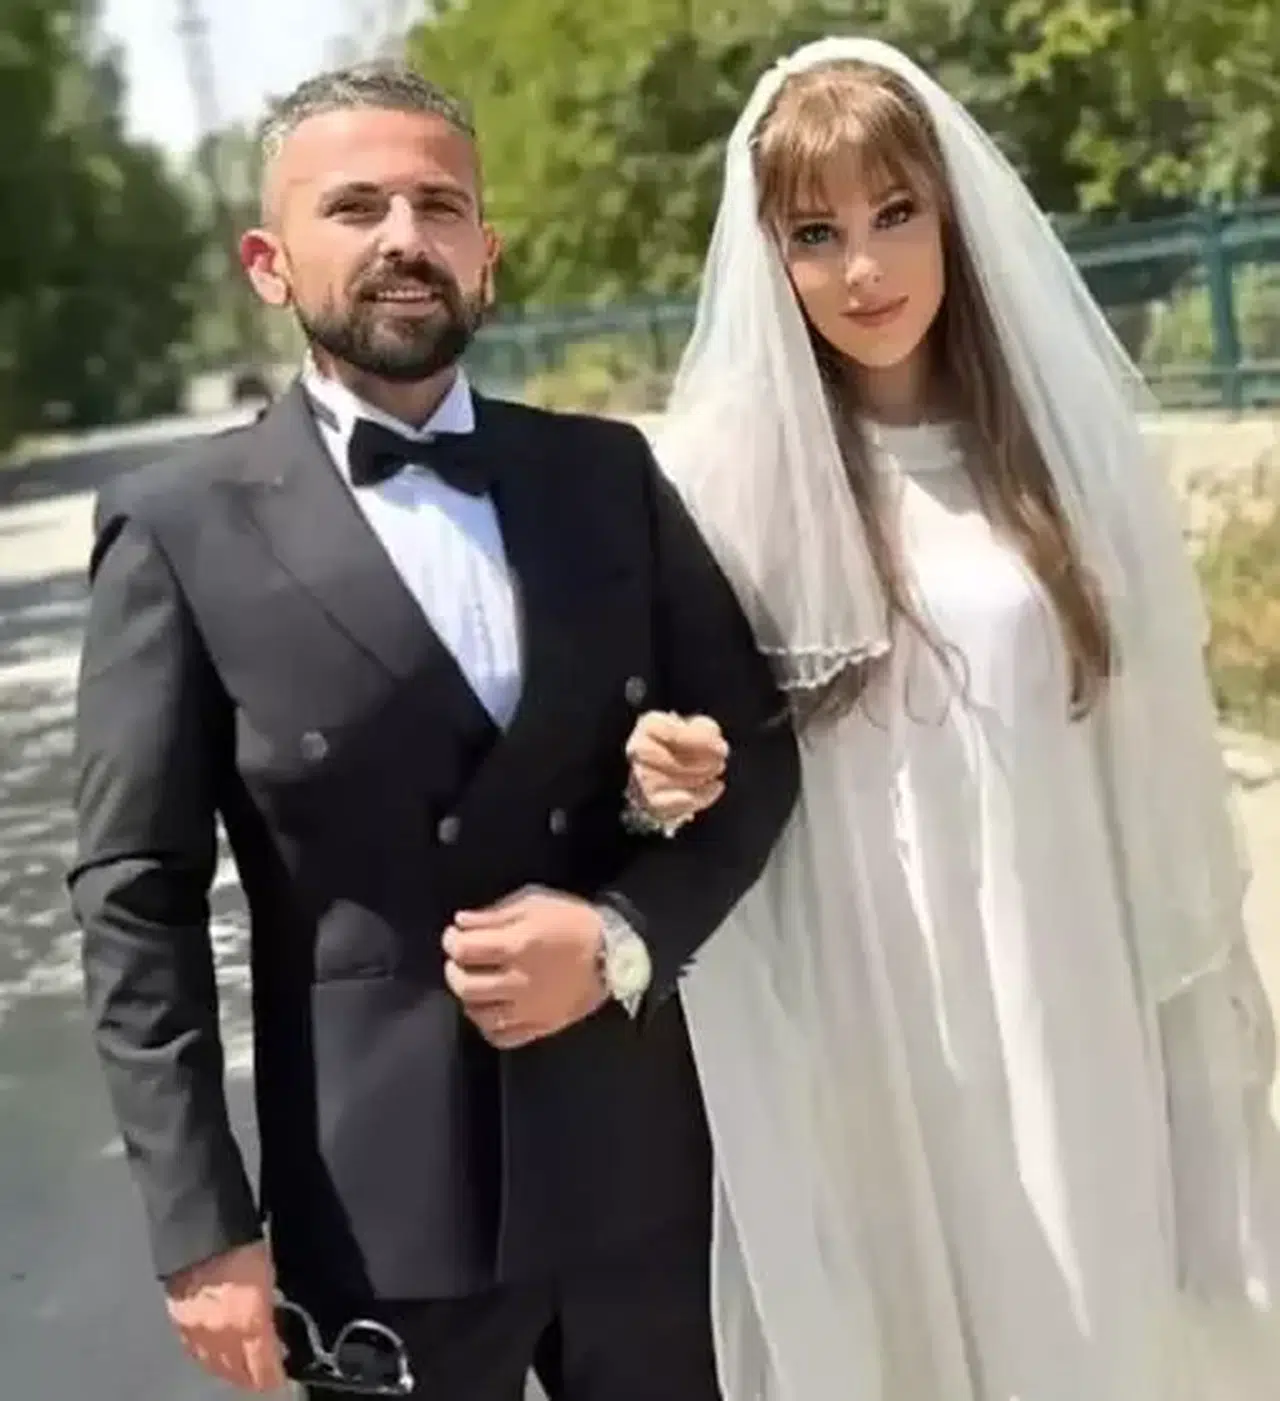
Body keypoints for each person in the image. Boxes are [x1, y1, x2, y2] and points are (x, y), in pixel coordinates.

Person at [68, 62, 799, 1400]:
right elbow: (136, 898)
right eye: (355, 207)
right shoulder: (176, 528)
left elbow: (754, 749)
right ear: (269, 264)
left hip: (639, 1173)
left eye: (439, 205)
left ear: (487, 256)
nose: (405, 238)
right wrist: (200, 1222)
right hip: (374, 1212)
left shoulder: (606, 474)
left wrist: (626, 932)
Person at [625, 36, 1280, 1401]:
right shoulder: (721, 477)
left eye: (894, 213)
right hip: (862, 993)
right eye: (816, 234)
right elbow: (666, 745)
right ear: (771, 257)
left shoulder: (1058, 456)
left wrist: (1190, 1042)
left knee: (1084, 1312)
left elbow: (1149, 755)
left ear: (952, 216)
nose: (864, 269)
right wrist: (656, 774)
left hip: (1059, 970)